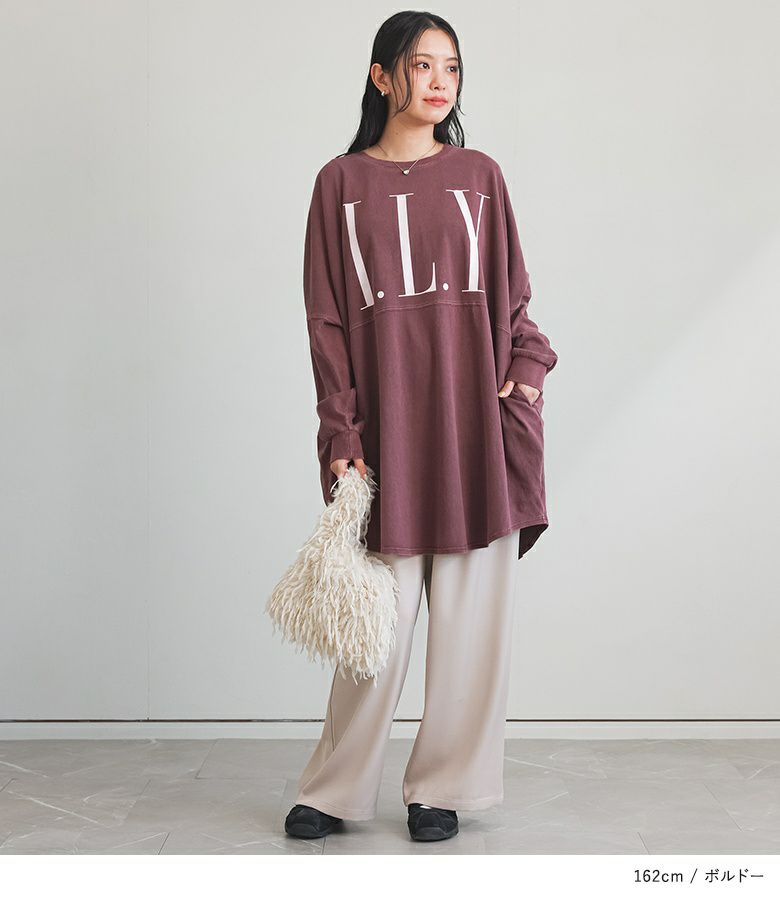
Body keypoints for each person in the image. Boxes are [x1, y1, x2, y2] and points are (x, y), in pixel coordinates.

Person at [284, 11, 559, 843]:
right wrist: (341, 433)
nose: (441, 82)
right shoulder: (340, 184)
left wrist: (528, 372)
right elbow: (327, 322)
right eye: (422, 65)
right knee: (377, 623)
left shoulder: (480, 176)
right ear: (381, 76)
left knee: (471, 630)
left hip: (479, 428)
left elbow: (515, 298)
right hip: (390, 431)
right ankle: (335, 789)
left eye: (452, 67)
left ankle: (442, 788)